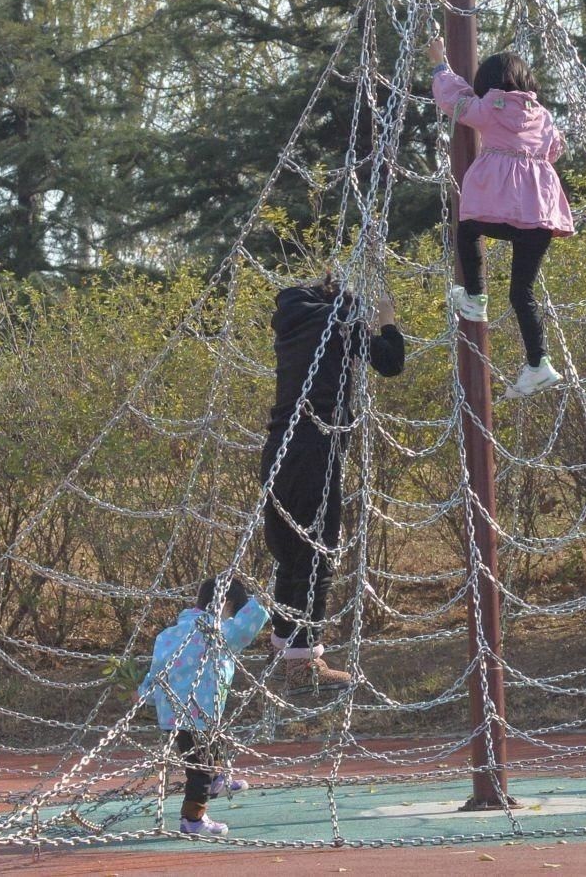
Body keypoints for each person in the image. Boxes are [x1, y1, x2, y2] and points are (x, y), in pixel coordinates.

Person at [264, 274, 405, 689]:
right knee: (317, 552)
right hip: (315, 445)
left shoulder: (292, 324)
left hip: (279, 444)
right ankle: (304, 663)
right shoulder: (337, 322)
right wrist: (387, 319)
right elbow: (391, 362)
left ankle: (284, 648)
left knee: (290, 553)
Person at [426, 36, 575, 399]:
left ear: (488, 84)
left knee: (468, 229)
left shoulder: (491, 106)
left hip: (501, 207)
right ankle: (538, 364)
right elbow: (555, 149)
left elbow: (456, 102)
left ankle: (475, 297)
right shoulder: (542, 115)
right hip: (540, 215)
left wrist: (439, 65)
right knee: (521, 291)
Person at [140, 574, 270, 835]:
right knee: (199, 769)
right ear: (225, 604)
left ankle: (218, 780)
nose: (231, 619)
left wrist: (145, 693)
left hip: (175, 714)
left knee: (212, 747)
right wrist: (263, 603)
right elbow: (242, 630)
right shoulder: (213, 630)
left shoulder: (172, 632)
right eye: (233, 612)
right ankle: (193, 819)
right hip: (197, 713)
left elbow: (158, 667)